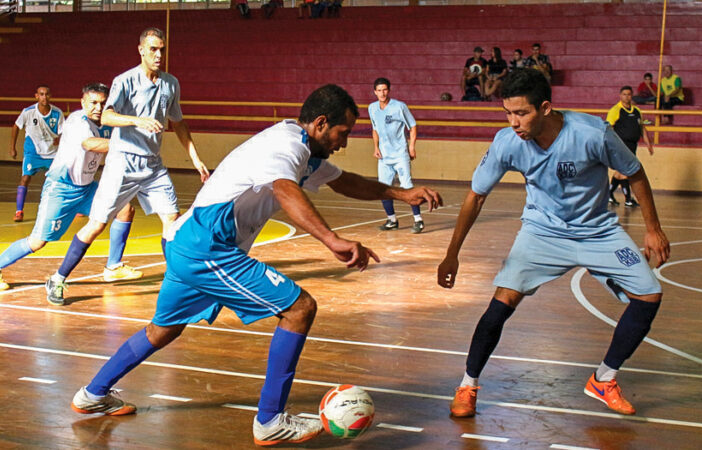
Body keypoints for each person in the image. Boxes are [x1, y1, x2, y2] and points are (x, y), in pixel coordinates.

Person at [68, 84, 443, 446]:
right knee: (299, 308)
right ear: (321, 123)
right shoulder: (286, 146)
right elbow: (285, 189)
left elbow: (346, 183)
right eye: (343, 133)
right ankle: (270, 420)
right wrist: (332, 239)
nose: (344, 143)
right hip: (207, 245)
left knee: (162, 330)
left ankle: (93, 393)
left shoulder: (308, 152)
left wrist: (401, 193)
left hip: (189, 242)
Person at [438, 68, 669, 419]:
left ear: (545, 108)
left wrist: (653, 229)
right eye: (508, 113)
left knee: (649, 294)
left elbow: (635, 172)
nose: (513, 122)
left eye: (521, 113)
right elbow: (476, 197)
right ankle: (468, 385)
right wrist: (451, 254)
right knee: (500, 305)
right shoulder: (507, 142)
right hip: (541, 232)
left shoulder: (592, 133)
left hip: (598, 230)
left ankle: (604, 379)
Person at [44, 27, 210, 306]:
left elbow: (178, 123)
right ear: (142, 50)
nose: (159, 55)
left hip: (153, 166)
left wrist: (195, 158)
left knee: (173, 221)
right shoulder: (124, 81)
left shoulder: (170, 84)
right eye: (153, 49)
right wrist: (137, 120)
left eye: (162, 50)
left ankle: (177, 283)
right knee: (96, 225)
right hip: (122, 163)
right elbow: (106, 117)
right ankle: (58, 278)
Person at [0, 84, 141, 290]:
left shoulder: (107, 123)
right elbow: (90, 144)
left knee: (125, 210)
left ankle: (113, 267)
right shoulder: (77, 121)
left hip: (86, 189)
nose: (98, 108)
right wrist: (127, 146)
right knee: (37, 242)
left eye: (102, 103)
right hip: (61, 188)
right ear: (83, 103)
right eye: (93, 103)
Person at [368, 77, 423, 233]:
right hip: (384, 157)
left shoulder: (399, 107)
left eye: (385, 90)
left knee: (407, 187)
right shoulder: (372, 108)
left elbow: (412, 126)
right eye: (379, 90)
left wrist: (411, 147)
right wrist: (376, 147)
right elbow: (375, 129)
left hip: (400, 154)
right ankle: (392, 220)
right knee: (383, 189)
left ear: (389, 90)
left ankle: (418, 220)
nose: (382, 93)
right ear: (374, 92)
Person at [9, 85, 64, 222]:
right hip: (33, 152)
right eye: (41, 94)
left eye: (46, 94)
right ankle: (19, 211)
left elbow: (64, 131)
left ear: (50, 96)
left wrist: (61, 141)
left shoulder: (58, 113)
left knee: (60, 181)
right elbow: (16, 126)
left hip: (51, 152)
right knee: (25, 178)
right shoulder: (28, 112)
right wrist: (12, 147)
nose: (44, 97)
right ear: (36, 96)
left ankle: (69, 209)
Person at [607, 85, 654, 207]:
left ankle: (609, 194)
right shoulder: (615, 110)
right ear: (620, 95)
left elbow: (642, 128)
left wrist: (648, 143)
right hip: (621, 144)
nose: (627, 97)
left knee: (620, 172)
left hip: (633, 144)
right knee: (625, 171)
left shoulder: (637, 111)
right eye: (624, 94)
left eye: (629, 94)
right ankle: (627, 199)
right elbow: (609, 128)